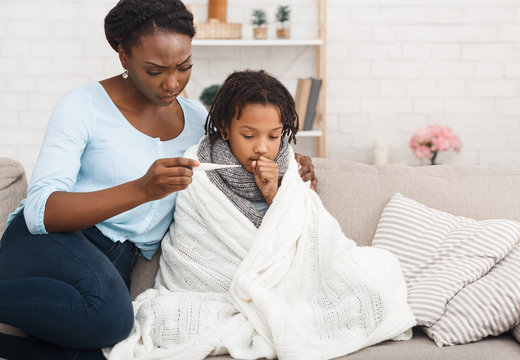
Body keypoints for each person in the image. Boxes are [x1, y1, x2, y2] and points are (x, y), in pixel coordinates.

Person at [0, 1, 316, 359]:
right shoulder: (82, 106)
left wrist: (294, 166)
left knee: (110, 351)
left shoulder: (200, 119)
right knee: (112, 321)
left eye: (185, 67)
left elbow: (245, 153)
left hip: (116, 263)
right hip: (51, 244)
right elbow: (41, 212)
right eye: (154, 70)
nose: (172, 83)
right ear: (123, 54)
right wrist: (142, 189)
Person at [105, 70, 415, 360]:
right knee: (165, 317)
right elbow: (194, 245)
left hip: (288, 285)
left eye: (273, 136)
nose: (262, 149)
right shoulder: (198, 171)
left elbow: (309, 237)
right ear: (225, 129)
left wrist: (274, 194)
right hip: (215, 291)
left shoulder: (292, 170)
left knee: (375, 274)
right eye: (249, 135)